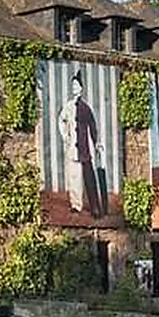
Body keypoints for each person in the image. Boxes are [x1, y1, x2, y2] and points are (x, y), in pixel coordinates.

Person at [58, 72, 103, 219]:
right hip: (73, 148)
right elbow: (61, 120)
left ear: (82, 88)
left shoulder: (85, 108)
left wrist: (96, 142)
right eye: (73, 86)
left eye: (77, 85)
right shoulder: (69, 106)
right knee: (74, 176)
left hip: (85, 148)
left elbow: (93, 125)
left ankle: (95, 207)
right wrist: (65, 135)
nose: (74, 88)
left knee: (89, 177)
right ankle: (76, 205)